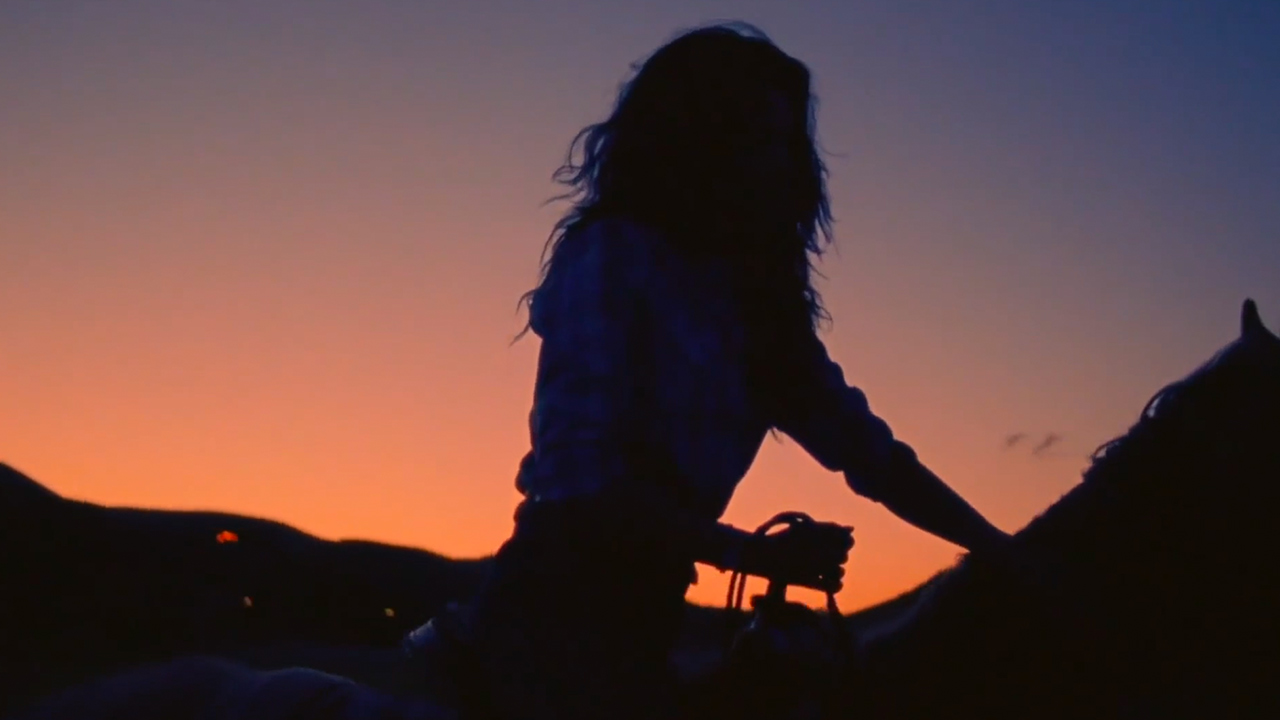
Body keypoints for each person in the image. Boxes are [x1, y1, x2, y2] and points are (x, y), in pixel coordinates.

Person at [409, 22, 1018, 720]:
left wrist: (1006, 552)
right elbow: (583, 488)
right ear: (698, 140)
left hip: (644, 628)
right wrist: (758, 559)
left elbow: (875, 458)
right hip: (545, 627)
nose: (776, 163)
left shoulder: (760, 314)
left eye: (784, 143)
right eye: (754, 137)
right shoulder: (613, 255)